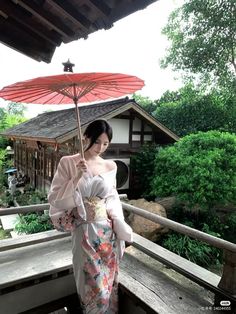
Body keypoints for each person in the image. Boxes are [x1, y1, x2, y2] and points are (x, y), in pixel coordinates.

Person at [48, 119, 133, 314]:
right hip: (83, 231)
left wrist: (119, 225)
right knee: (90, 283)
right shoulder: (68, 162)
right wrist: (76, 176)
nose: (100, 147)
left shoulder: (111, 166)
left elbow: (112, 199)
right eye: (97, 142)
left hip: (106, 233)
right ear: (85, 138)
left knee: (108, 283)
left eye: (105, 143)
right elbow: (55, 198)